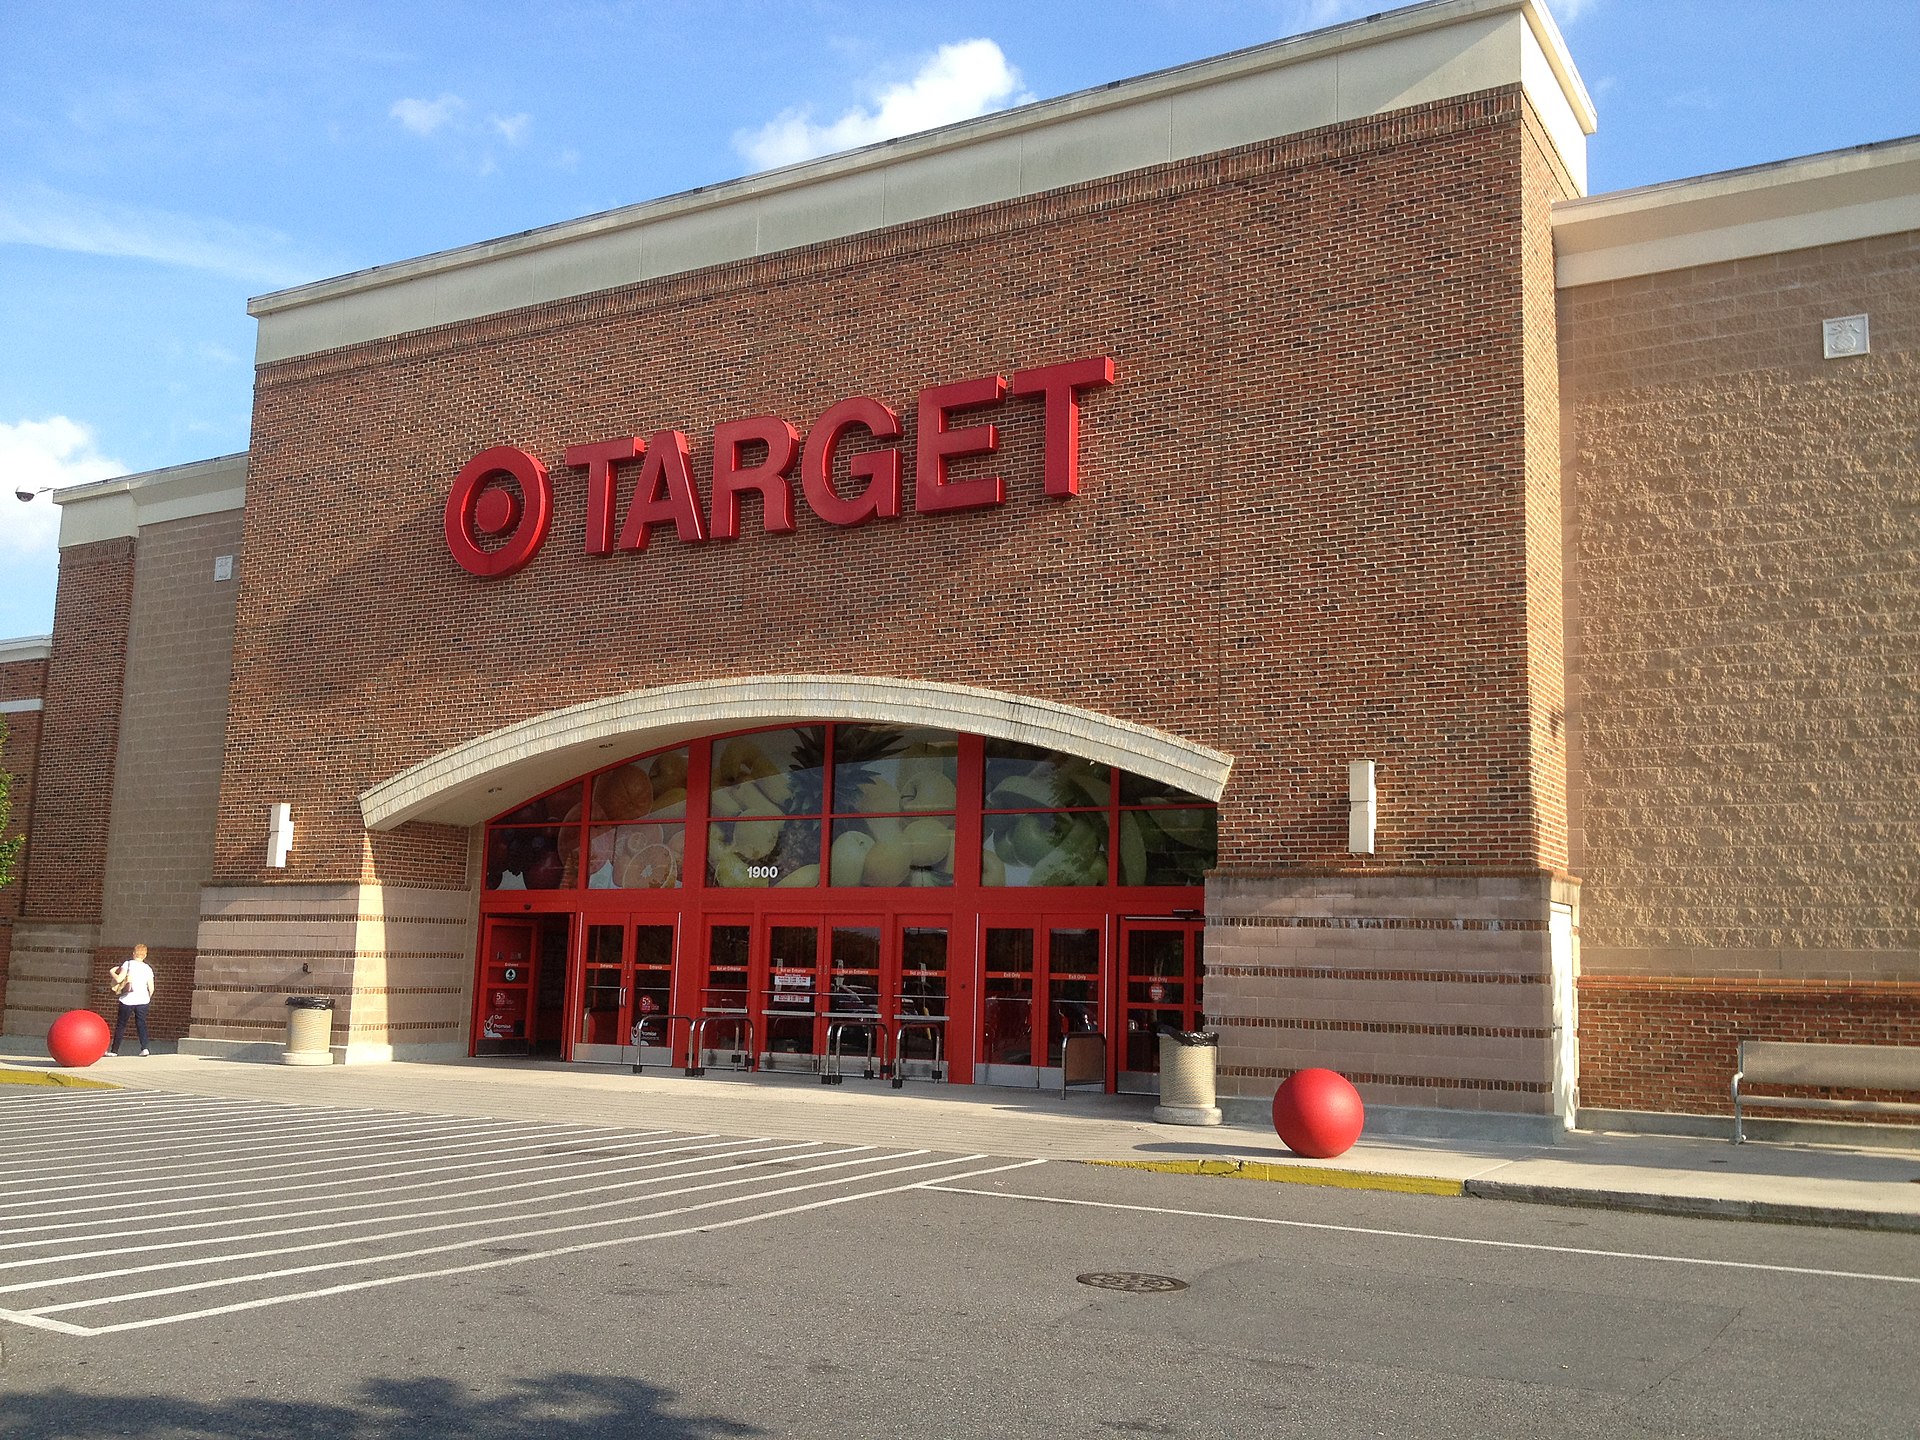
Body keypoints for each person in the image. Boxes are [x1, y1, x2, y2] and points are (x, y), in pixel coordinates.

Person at [109, 943, 156, 1056]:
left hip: (127, 999)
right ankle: (144, 1048)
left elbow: (120, 979)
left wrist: (111, 972)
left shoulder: (128, 964)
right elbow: (151, 988)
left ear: (134, 953)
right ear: (145, 955)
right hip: (143, 999)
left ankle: (114, 1050)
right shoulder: (148, 968)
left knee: (121, 1024)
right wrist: (147, 998)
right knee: (141, 1023)